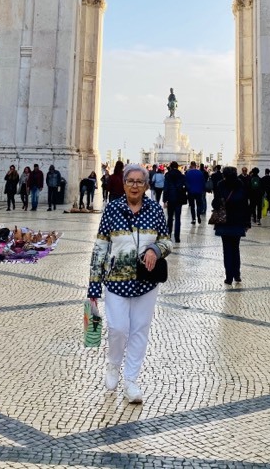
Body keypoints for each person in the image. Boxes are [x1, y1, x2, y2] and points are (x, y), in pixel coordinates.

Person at [87, 163, 172, 404]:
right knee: (117, 329)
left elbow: (167, 241)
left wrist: (156, 249)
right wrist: (93, 285)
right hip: (116, 279)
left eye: (139, 181)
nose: (135, 185)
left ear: (147, 185)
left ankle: (131, 380)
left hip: (146, 280)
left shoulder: (155, 210)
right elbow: (100, 247)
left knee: (139, 331)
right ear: (123, 184)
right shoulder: (112, 209)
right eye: (130, 181)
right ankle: (113, 365)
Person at [211, 165, 250, 285]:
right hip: (238, 221)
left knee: (227, 249)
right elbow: (246, 205)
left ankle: (228, 277)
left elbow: (215, 204)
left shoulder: (220, 185)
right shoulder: (241, 185)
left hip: (225, 221)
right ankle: (237, 274)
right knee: (235, 248)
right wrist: (247, 222)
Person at [162, 161, 187, 243]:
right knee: (178, 218)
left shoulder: (167, 175)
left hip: (170, 198)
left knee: (169, 217)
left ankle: (168, 234)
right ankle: (177, 237)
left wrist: (164, 200)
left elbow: (165, 188)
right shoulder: (181, 176)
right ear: (177, 167)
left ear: (171, 167)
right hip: (179, 198)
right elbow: (185, 187)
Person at [185, 160, 206, 224]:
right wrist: (202, 189)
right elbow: (203, 182)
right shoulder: (200, 173)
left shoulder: (188, 173)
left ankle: (193, 219)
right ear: (196, 165)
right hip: (199, 191)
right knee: (198, 205)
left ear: (191, 165)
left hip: (191, 191)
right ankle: (198, 216)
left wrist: (187, 189)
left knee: (192, 206)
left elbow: (186, 182)